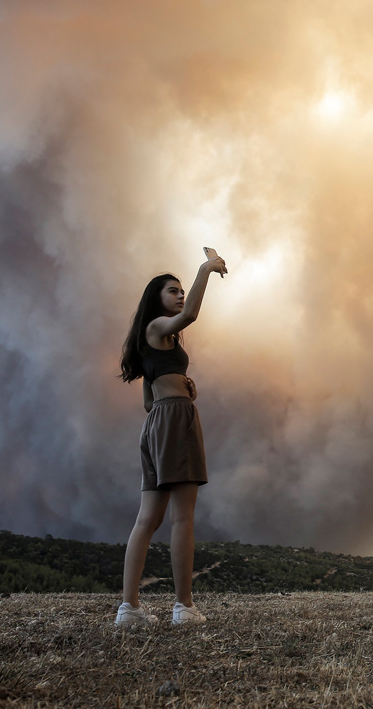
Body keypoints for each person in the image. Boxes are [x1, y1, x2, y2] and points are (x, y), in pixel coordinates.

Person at [116, 254, 226, 626]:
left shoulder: (149, 338)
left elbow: (149, 402)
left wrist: (181, 385)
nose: (180, 296)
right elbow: (191, 314)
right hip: (175, 420)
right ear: (156, 297)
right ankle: (184, 607)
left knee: (147, 519)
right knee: (183, 519)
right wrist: (205, 270)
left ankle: (129, 609)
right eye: (173, 290)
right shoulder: (159, 326)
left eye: (182, 291)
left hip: (157, 424)